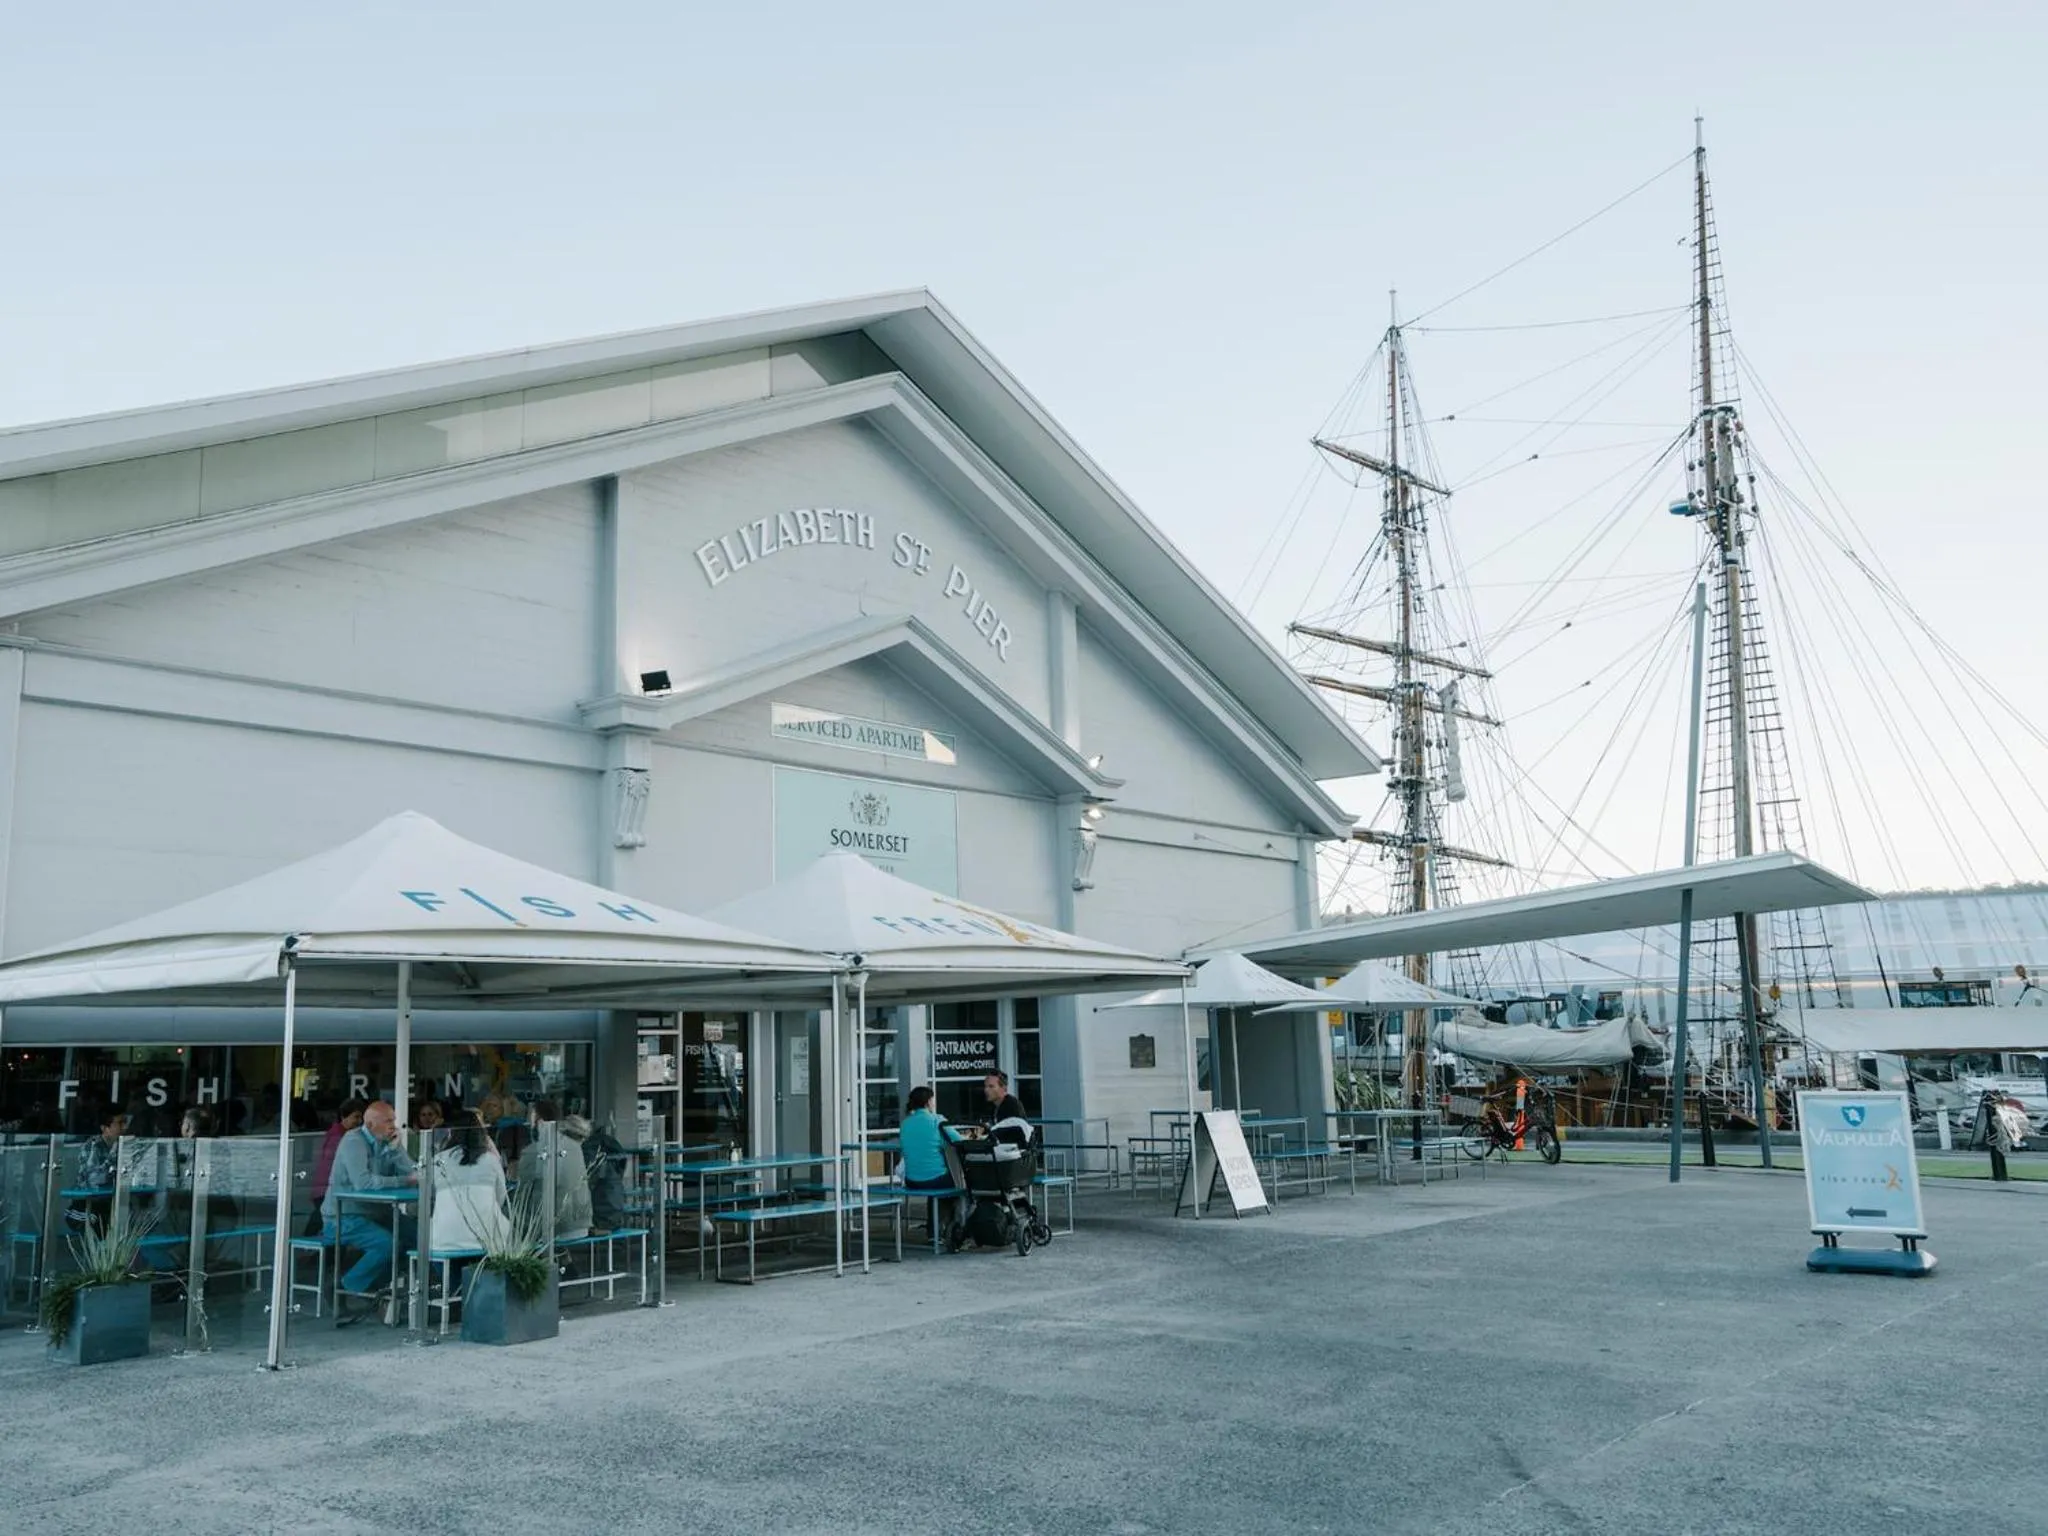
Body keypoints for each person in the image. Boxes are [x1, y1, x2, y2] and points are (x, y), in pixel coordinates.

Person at [322, 1100, 417, 1319]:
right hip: (343, 1214)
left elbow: (414, 1172)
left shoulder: (387, 1141)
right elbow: (363, 1183)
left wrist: (396, 1151)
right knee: (387, 1244)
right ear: (371, 1124)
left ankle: (394, 1289)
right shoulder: (353, 1141)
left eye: (394, 1120)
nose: (393, 1125)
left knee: (418, 1235)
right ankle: (345, 1286)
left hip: (377, 1212)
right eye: (388, 1121)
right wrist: (403, 1180)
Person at [429, 1122, 510, 1254]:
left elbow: (430, 1196)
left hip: (443, 1242)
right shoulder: (490, 1159)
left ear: (451, 1134)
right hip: (488, 1243)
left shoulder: (438, 1159)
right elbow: (500, 1197)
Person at [516, 1100, 593, 1241]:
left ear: (538, 1121)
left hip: (553, 1227)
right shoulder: (575, 1147)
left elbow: (522, 1194)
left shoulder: (533, 1151)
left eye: (530, 1119)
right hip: (581, 1223)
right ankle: (564, 1258)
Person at [899, 1086, 964, 1230]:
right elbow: (959, 1141)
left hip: (911, 1180)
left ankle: (933, 1230)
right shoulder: (937, 1121)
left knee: (935, 1183)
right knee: (960, 1183)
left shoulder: (905, 1123)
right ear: (929, 1102)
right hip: (935, 1179)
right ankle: (953, 1228)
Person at [306, 1097, 368, 1237]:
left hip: (327, 1189)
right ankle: (306, 1254)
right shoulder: (339, 1137)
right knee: (330, 1228)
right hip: (326, 1190)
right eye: (356, 1117)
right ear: (343, 1117)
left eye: (361, 1117)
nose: (359, 1121)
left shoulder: (344, 1136)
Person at [980, 1072, 1034, 1147]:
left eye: (991, 1086)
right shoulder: (991, 1106)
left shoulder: (1012, 1106)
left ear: (1004, 1088)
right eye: (985, 1086)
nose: (986, 1090)